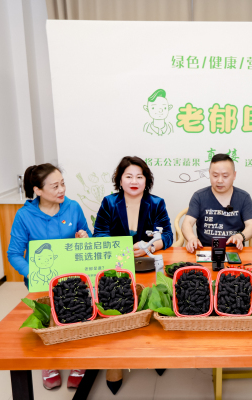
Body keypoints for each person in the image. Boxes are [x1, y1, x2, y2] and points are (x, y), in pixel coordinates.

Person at [93, 156, 173, 394]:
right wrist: (123, 249)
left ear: (146, 180)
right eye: (129, 176)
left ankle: (155, 353)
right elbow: (99, 234)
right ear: (120, 180)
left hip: (149, 265)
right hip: (118, 268)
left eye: (139, 176)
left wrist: (152, 246)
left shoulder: (156, 203)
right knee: (115, 304)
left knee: (157, 300)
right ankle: (114, 361)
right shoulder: (109, 202)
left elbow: (168, 235)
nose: (134, 181)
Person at [7, 163, 91, 390]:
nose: (61, 189)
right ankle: (49, 363)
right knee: (48, 321)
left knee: (76, 316)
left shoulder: (73, 207)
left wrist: (84, 238)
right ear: (37, 190)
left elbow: (88, 239)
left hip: (73, 278)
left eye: (62, 184)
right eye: (55, 186)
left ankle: (78, 361)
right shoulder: (24, 215)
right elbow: (14, 254)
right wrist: (33, 274)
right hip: (41, 280)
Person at [182, 153, 252, 253]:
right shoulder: (199, 196)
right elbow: (187, 223)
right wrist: (191, 238)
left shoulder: (243, 197)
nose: (220, 180)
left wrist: (240, 236)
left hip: (234, 251)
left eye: (225, 176)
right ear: (209, 173)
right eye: (215, 175)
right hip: (205, 250)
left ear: (234, 175)